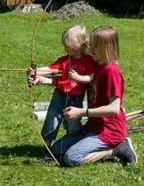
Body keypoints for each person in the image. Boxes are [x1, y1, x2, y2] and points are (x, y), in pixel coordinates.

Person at [49, 25, 138, 166]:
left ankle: (118, 148)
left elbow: (114, 109)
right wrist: (39, 79)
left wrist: (81, 112)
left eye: (95, 45)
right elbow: (66, 78)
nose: (90, 48)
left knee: (71, 158)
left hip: (110, 130)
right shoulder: (94, 64)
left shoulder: (112, 72)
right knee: (56, 149)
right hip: (93, 126)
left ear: (106, 47)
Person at [28, 25, 95, 160]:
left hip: (76, 100)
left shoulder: (88, 60)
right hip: (59, 96)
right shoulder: (64, 60)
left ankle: (73, 142)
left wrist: (78, 78)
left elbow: (92, 77)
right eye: (65, 44)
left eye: (68, 44)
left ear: (80, 43)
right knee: (51, 122)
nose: (66, 47)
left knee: (73, 126)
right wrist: (36, 72)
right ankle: (46, 148)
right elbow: (50, 69)